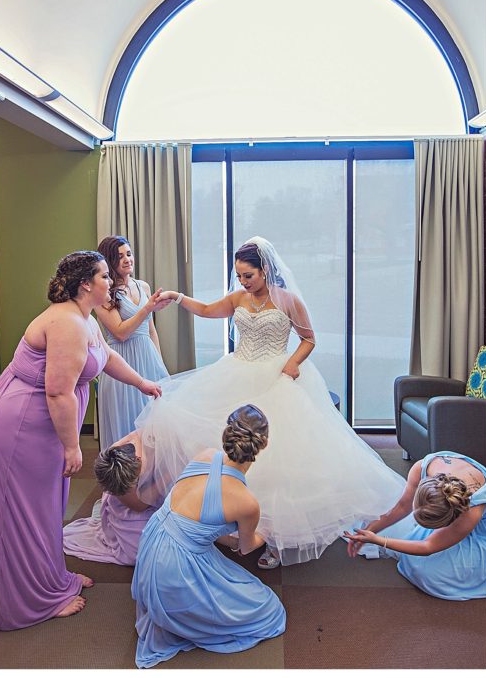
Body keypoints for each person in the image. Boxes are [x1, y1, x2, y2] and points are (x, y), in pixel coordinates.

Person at [134, 236, 405, 568]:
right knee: (217, 440)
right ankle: (226, 519)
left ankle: (277, 535)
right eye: (239, 277)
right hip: (236, 372)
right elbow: (206, 310)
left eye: (248, 275)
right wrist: (177, 297)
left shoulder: (288, 301)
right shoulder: (239, 298)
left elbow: (309, 339)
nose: (243, 282)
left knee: (278, 459)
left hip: (277, 375)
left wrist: (293, 363)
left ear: (265, 270)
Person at [0, 251, 163, 630]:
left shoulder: (83, 317)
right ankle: (32, 597)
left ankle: (51, 580)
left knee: (47, 508)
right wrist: (72, 446)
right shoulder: (67, 322)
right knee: (26, 511)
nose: (110, 283)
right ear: (86, 284)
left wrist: (142, 383)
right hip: (25, 427)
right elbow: (57, 392)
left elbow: (104, 358)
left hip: (43, 424)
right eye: (104, 276)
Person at [133, 405, 286, 667]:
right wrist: (270, 532)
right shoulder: (247, 503)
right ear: (265, 444)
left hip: (151, 544)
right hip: (175, 568)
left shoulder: (204, 455)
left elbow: (196, 516)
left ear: (226, 434)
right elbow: (247, 548)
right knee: (271, 612)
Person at [344, 451, 486, 600]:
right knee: (405, 540)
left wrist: (379, 540)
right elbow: (402, 507)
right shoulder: (423, 467)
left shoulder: (471, 512)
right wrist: (369, 530)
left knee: (427, 573)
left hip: (483, 537)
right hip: (455, 515)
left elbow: (428, 547)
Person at [94, 236, 170, 450]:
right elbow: (120, 333)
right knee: (126, 427)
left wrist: (159, 363)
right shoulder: (103, 294)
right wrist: (148, 308)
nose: (127, 259)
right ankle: (123, 480)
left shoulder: (143, 287)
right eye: (120, 257)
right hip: (121, 364)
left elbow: (151, 330)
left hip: (148, 358)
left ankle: (150, 480)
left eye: (129, 253)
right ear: (109, 262)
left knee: (153, 426)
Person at [63, 429, 157, 565]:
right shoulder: (115, 453)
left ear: (138, 460)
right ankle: (105, 511)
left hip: (133, 486)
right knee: (138, 551)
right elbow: (139, 505)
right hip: (132, 501)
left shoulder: (149, 451)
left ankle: (103, 511)